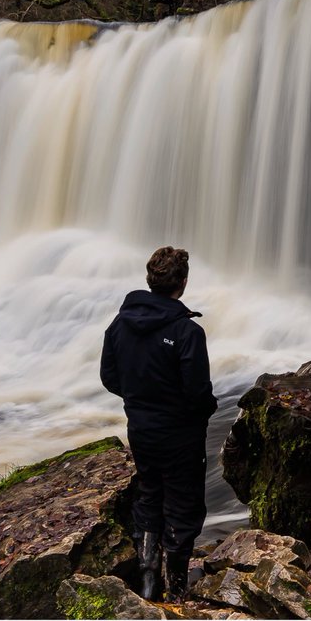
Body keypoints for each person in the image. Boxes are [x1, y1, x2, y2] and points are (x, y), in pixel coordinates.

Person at [100, 246, 217, 601]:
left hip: (141, 430)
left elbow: (109, 377)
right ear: (182, 283)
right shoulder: (186, 333)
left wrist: (138, 401)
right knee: (183, 505)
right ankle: (176, 589)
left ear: (150, 281)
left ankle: (149, 579)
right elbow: (197, 392)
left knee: (149, 496)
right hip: (181, 436)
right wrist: (203, 411)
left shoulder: (120, 324)